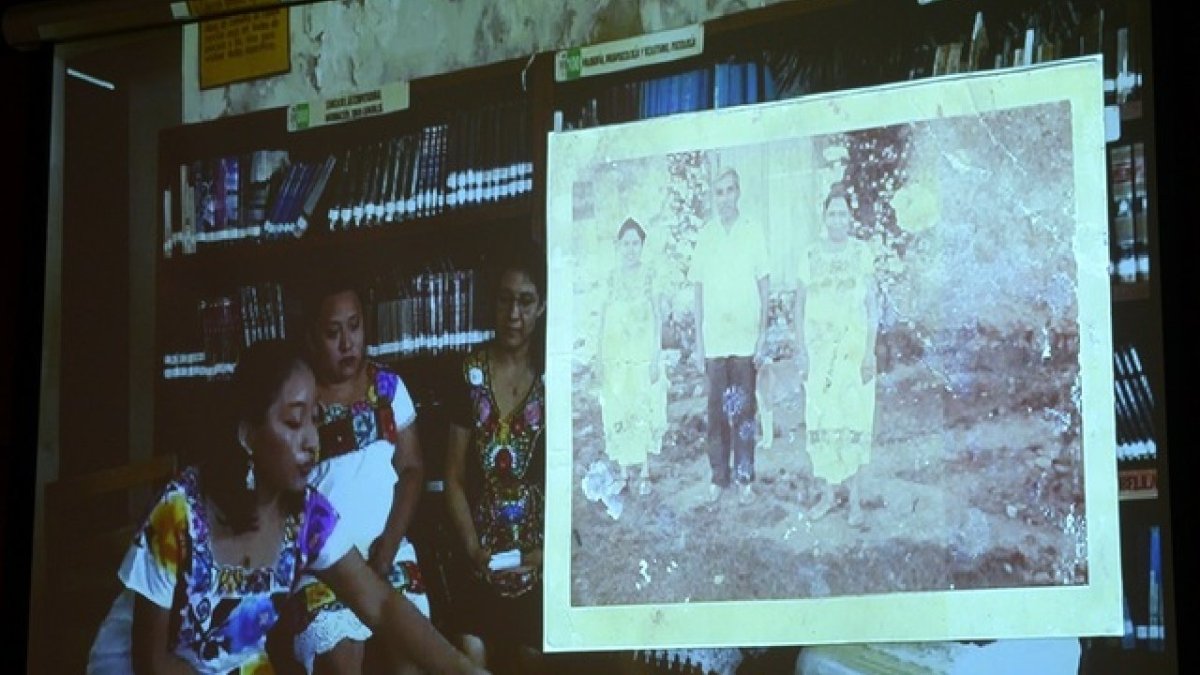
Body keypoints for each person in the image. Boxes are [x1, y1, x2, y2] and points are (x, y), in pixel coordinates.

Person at [86, 339, 486, 674]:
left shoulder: (307, 516)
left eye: (315, 421)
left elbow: (380, 604)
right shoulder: (179, 513)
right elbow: (151, 662)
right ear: (248, 436)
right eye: (294, 424)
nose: (312, 440)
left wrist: (464, 670)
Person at [290, 278, 429, 673]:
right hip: (324, 565)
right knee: (340, 658)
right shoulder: (301, 399)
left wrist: (388, 545)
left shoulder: (386, 388)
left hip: (389, 550)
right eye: (333, 333)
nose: (347, 343)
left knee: (412, 657)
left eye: (354, 326)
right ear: (313, 337)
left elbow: (413, 468)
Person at [443, 244, 547, 675]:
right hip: (479, 557)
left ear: (542, 306)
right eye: (505, 299)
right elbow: (451, 476)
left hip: (539, 559)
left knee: (532, 657)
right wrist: (472, 548)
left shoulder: (555, 375)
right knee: (471, 653)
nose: (514, 314)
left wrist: (541, 555)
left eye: (525, 301)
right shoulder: (468, 373)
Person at [794, 181, 880, 528]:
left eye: (843, 213)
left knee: (854, 418)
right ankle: (829, 496)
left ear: (850, 218)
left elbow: (873, 306)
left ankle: (856, 502)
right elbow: (798, 306)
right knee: (823, 419)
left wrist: (870, 352)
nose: (837, 219)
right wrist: (801, 350)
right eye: (832, 213)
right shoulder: (810, 255)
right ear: (824, 217)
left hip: (852, 353)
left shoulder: (862, 253)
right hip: (819, 355)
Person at [690, 166, 771, 505]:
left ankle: (744, 478)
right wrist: (698, 341)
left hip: (744, 339)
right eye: (719, 192)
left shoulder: (752, 231)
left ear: (739, 193)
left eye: (730, 191)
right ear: (715, 197)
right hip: (716, 342)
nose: (725, 198)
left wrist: (763, 334)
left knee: (744, 412)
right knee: (717, 414)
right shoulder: (706, 235)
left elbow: (765, 284)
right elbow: (697, 289)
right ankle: (718, 477)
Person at [596, 217, 668, 495]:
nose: (630, 249)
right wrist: (599, 357)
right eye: (625, 244)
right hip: (616, 357)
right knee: (619, 408)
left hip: (641, 355)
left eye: (635, 243)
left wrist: (655, 356)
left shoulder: (650, 275)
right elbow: (602, 319)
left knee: (643, 406)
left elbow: (658, 317)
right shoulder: (610, 279)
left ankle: (645, 473)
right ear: (618, 246)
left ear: (642, 245)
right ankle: (624, 473)